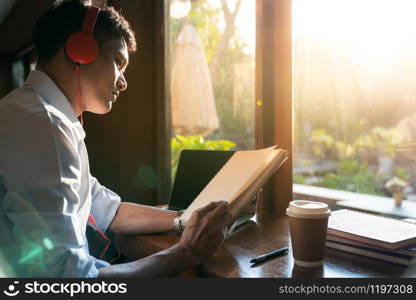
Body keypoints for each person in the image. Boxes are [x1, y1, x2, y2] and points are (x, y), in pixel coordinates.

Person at [0, 0, 231, 278]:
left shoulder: (36, 114)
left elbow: (105, 209)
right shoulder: (43, 123)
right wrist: (184, 254)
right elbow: (68, 280)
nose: (123, 82)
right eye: (118, 62)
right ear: (79, 50)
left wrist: (186, 220)